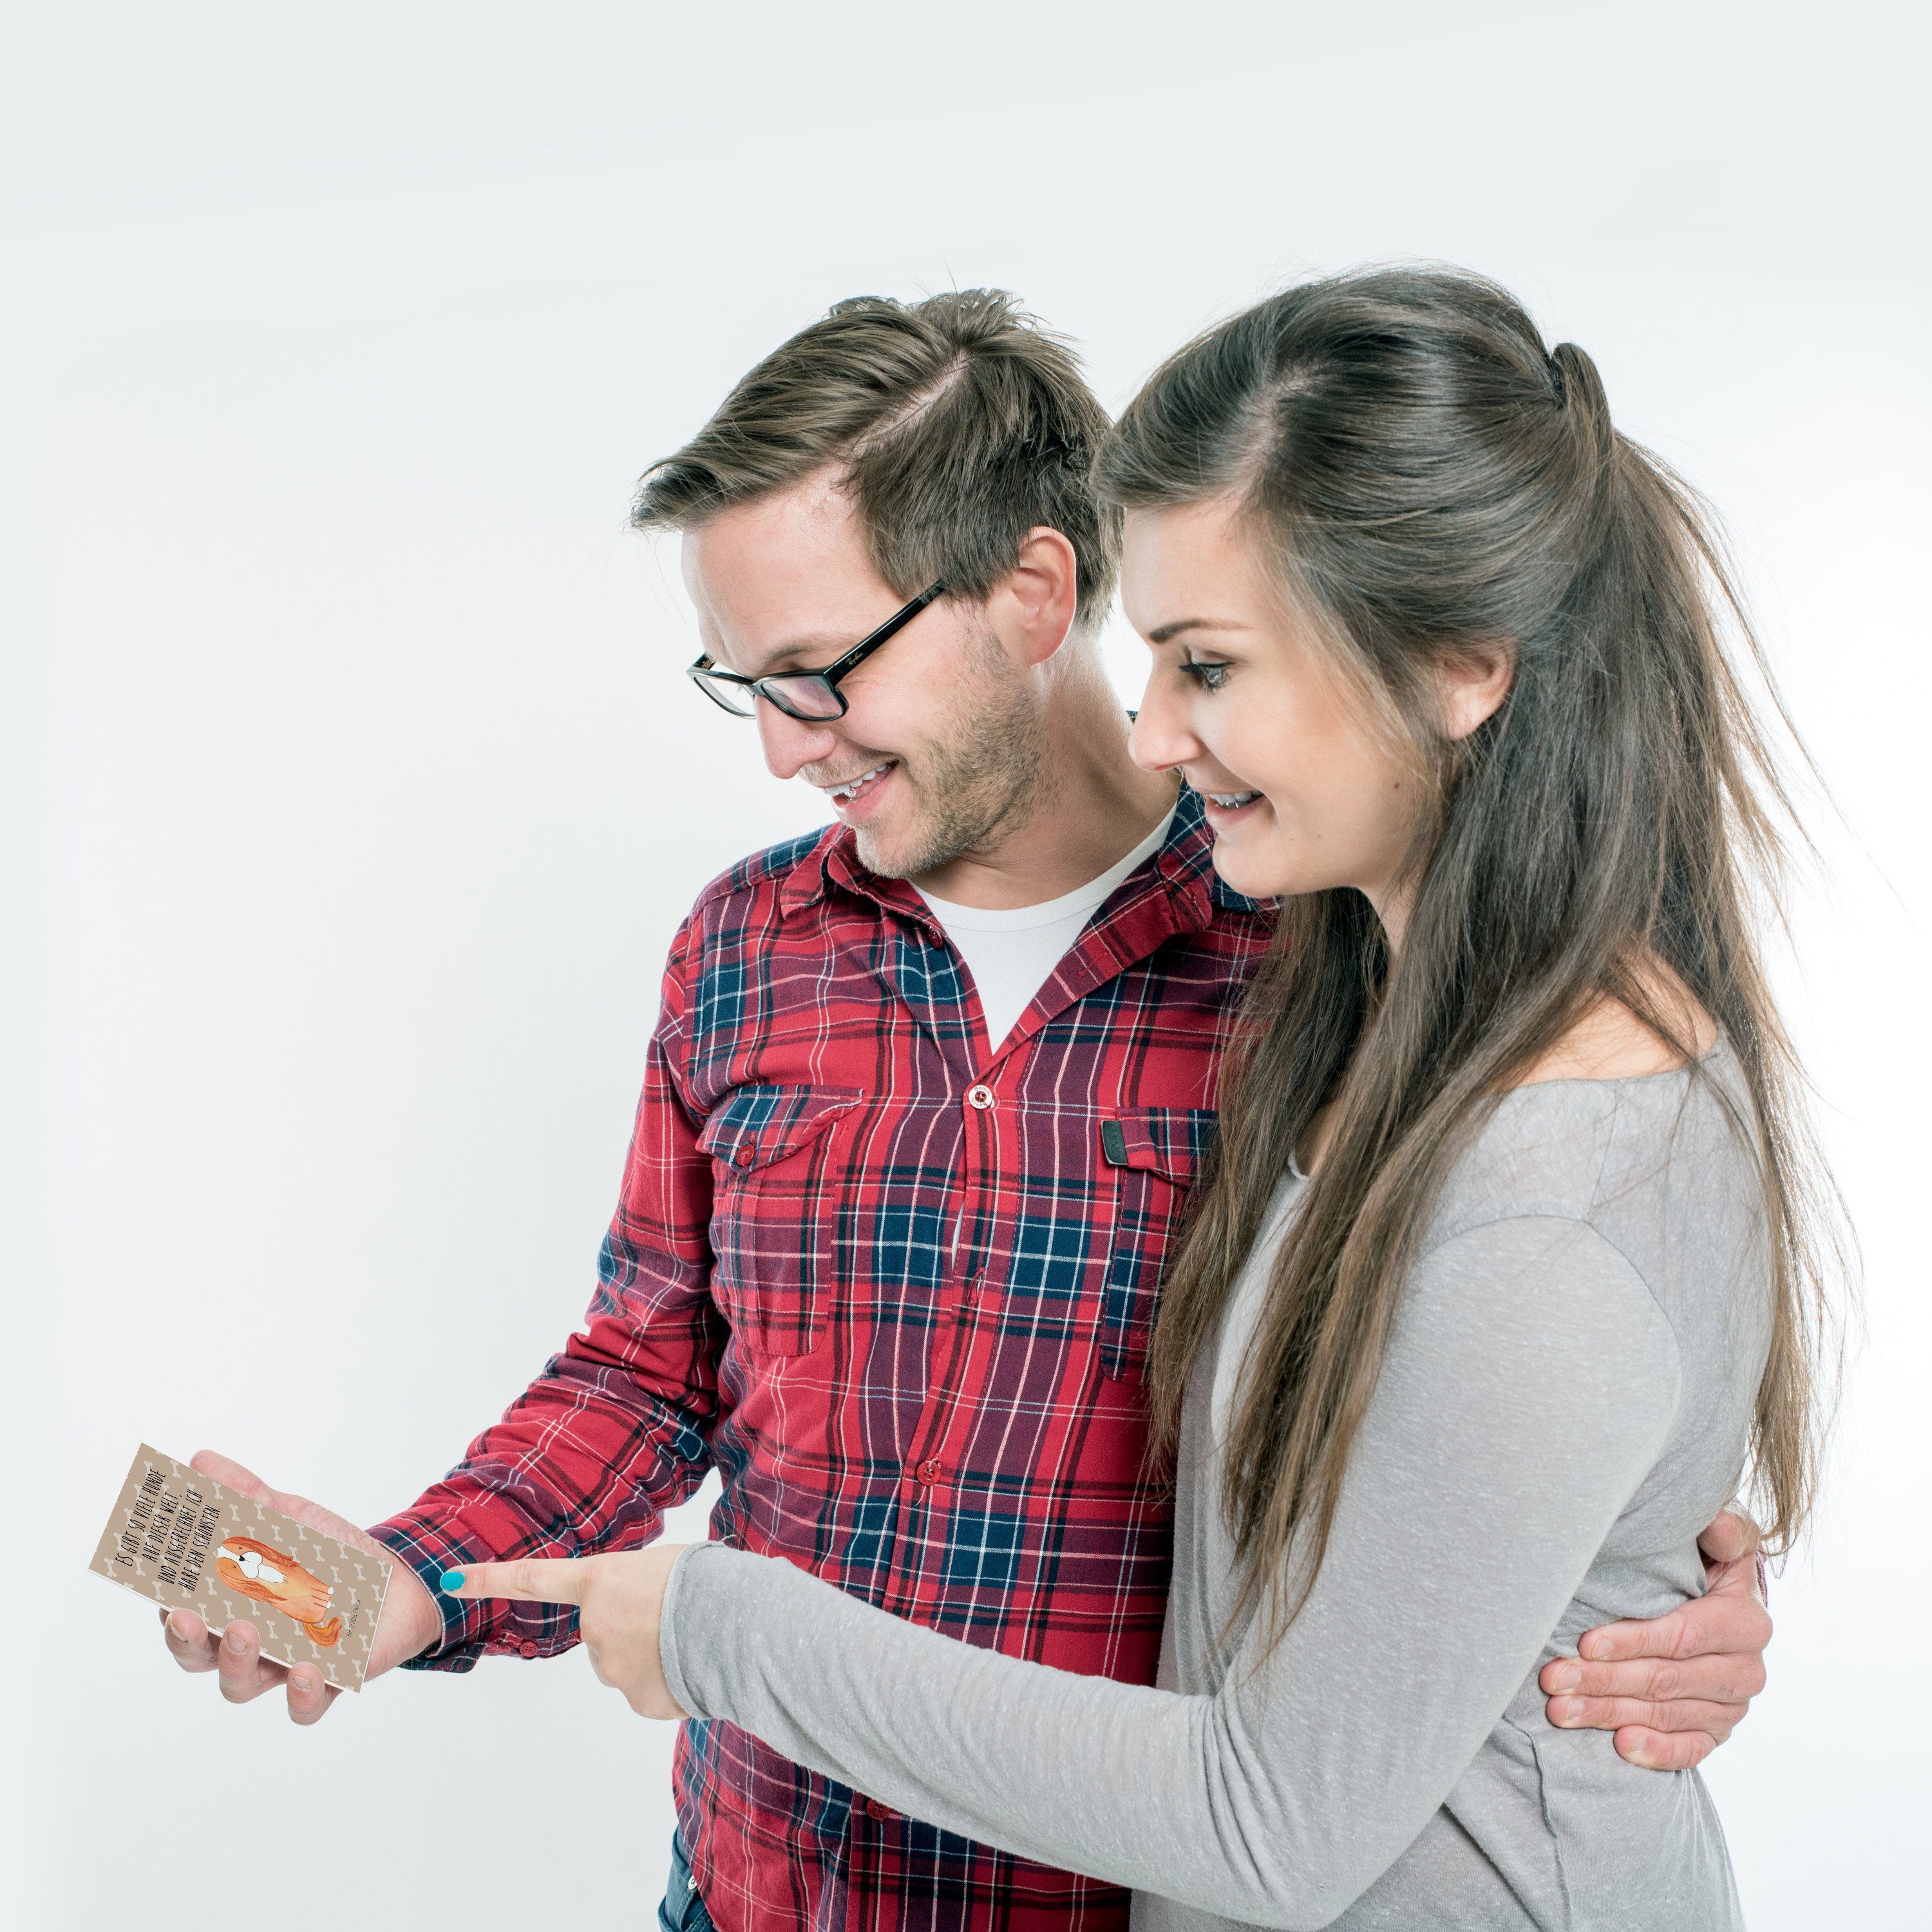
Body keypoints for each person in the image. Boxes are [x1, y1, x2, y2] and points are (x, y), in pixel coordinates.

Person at [160, 289, 1777, 1932]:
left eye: (818, 672)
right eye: (747, 687)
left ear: (1031, 593)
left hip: (1110, 1895)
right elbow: (647, 1371)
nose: (788, 751)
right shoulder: (745, 949)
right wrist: (409, 1587)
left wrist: (1649, 1584)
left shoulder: (1322, 951)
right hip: (759, 1889)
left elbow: (1531, 1337)